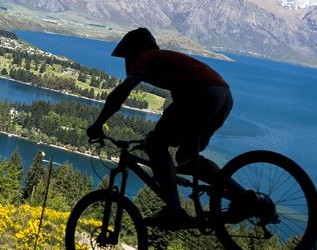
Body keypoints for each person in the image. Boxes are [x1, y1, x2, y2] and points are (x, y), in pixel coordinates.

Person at [85, 27, 245, 228]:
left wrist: (98, 124)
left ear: (134, 51)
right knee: (187, 159)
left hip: (203, 95)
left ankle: (174, 209)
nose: (126, 63)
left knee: (156, 146)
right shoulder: (167, 64)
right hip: (223, 97)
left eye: (126, 57)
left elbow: (121, 93)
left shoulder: (147, 57)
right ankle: (243, 198)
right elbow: (178, 120)